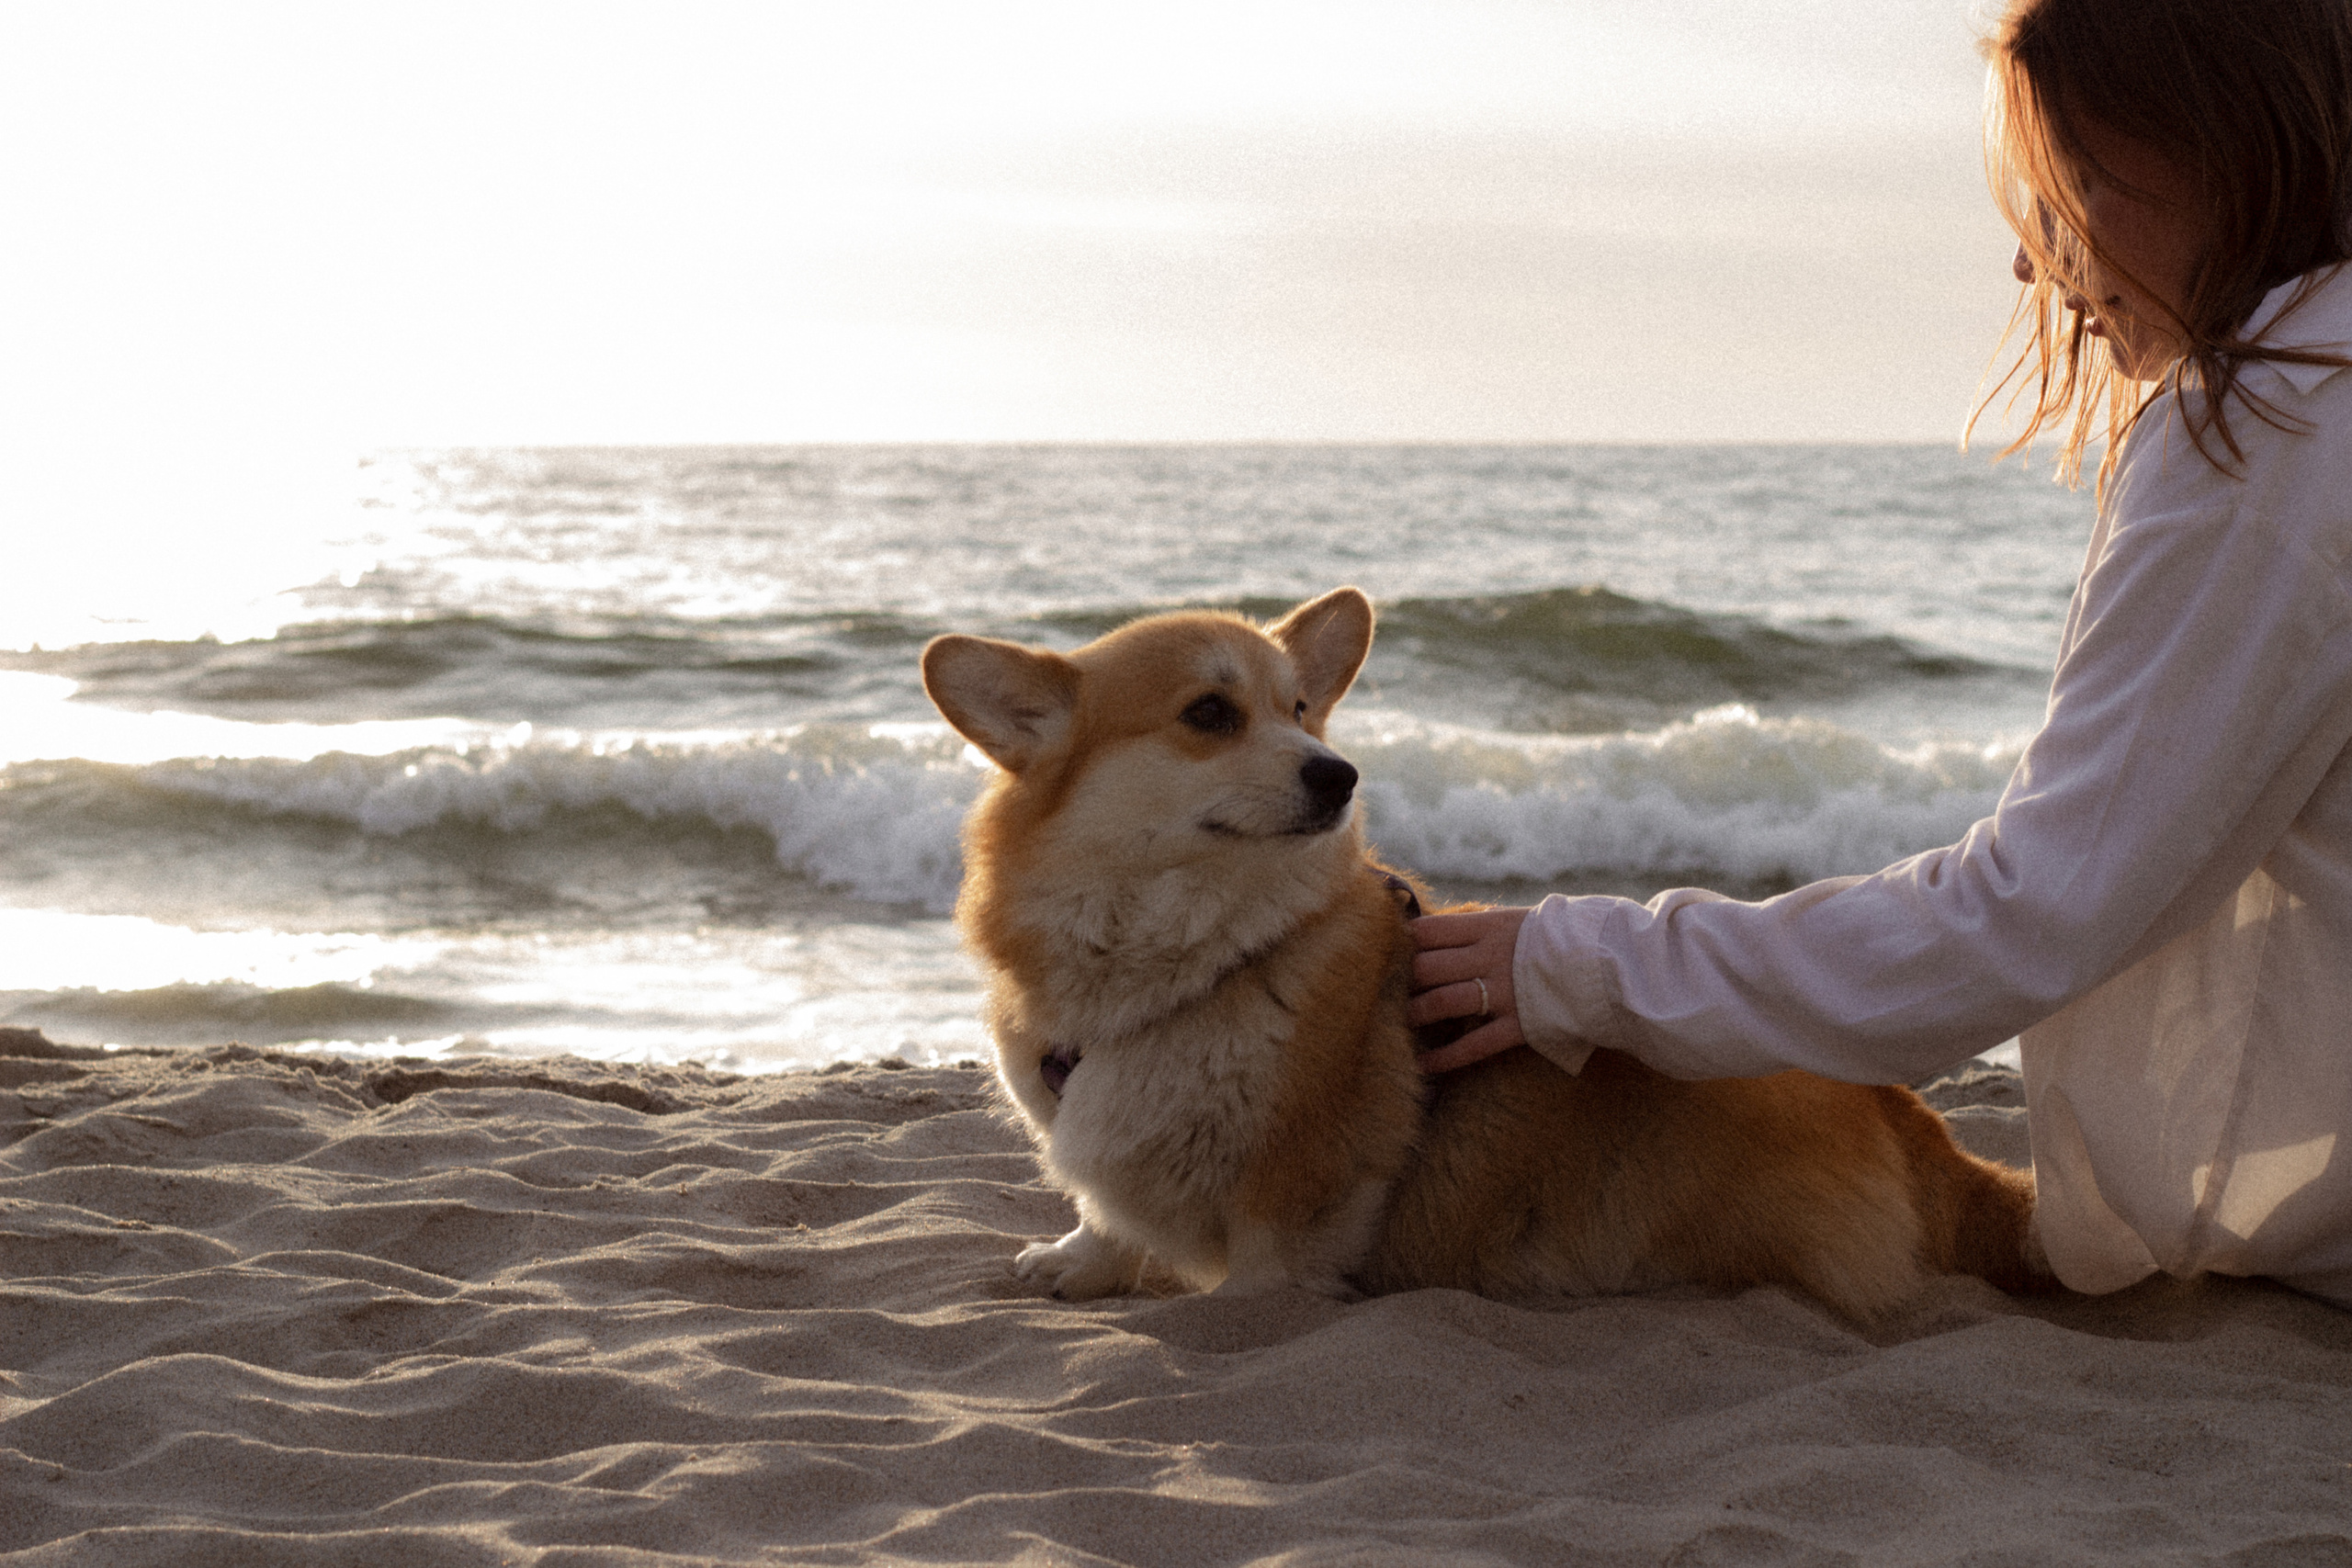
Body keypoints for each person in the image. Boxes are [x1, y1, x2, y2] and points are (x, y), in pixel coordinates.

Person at [1408, 0, 2352, 1305]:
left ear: (2232, 144)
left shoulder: (2276, 425)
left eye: (2074, 182)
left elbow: (2031, 913)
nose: (2036, 262)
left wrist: (1579, 967)